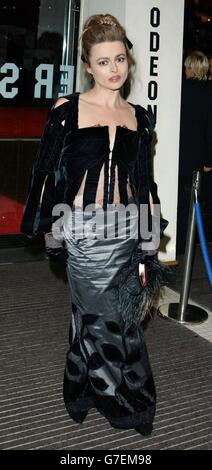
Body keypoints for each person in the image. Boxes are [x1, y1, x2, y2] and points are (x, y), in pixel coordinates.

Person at [21, 14, 167, 436]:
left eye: (119, 59)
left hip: (125, 231)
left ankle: (78, 388)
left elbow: (145, 185)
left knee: (100, 316)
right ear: (87, 65)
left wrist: (147, 247)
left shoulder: (139, 117)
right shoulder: (67, 109)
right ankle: (130, 403)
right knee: (107, 321)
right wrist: (49, 229)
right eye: (103, 62)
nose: (114, 69)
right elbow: (45, 172)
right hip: (81, 230)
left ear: (128, 61)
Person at [177, 50, 212, 254]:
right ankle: (187, 244)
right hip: (197, 155)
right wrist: (208, 159)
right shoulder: (208, 93)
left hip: (178, 152)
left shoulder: (179, 88)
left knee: (179, 201)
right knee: (194, 202)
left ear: (190, 68)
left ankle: (177, 244)